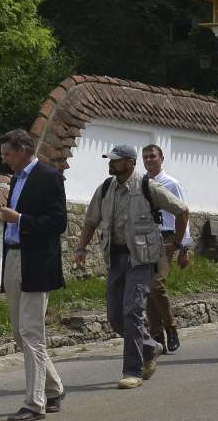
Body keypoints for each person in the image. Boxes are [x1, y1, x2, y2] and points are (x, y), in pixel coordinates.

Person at [72, 144, 189, 390]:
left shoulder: (147, 186)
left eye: (115, 160)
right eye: (110, 160)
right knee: (115, 317)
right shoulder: (105, 188)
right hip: (115, 259)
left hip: (141, 259)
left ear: (130, 163)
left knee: (132, 311)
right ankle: (151, 346)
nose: (111, 163)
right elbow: (91, 221)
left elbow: (182, 210)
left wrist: (177, 243)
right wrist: (81, 248)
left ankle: (132, 370)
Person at [0, 129, 68, 421]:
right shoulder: (16, 179)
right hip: (14, 258)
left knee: (31, 333)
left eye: (7, 154)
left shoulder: (49, 176)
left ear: (24, 149)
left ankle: (34, 403)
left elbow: (59, 222)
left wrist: (21, 220)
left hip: (37, 263)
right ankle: (54, 387)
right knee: (19, 332)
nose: (4, 160)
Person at [140, 144, 191, 354]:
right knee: (147, 287)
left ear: (161, 159)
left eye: (153, 156)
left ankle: (171, 327)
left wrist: (183, 247)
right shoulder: (141, 184)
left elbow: (183, 212)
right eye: (146, 157)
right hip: (146, 238)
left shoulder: (171, 184)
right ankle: (156, 335)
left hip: (168, 236)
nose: (149, 160)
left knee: (156, 283)